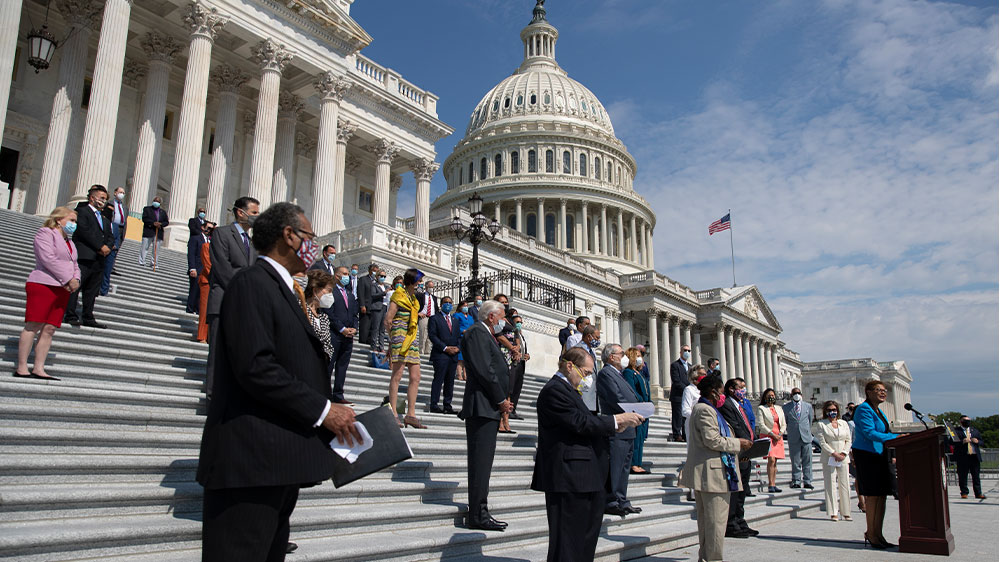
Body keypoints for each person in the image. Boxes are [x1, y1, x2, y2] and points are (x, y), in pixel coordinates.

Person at [196, 202, 361, 562]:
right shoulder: (251, 283)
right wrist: (323, 410)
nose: (313, 247)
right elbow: (256, 366)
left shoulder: (284, 290)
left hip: (276, 462)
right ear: (289, 236)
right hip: (249, 465)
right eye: (310, 237)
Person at [530, 347, 644, 561]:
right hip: (569, 477)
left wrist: (612, 427)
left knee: (584, 539)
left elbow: (585, 425)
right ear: (570, 366)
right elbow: (579, 423)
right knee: (568, 542)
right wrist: (616, 420)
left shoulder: (570, 391)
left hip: (585, 477)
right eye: (587, 372)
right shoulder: (554, 390)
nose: (589, 378)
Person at [679, 374, 753, 562]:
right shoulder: (705, 410)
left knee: (709, 523)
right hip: (712, 474)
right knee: (715, 524)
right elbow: (712, 439)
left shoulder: (708, 409)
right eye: (721, 392)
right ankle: (713, 559)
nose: (723, 396)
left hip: (713, 472)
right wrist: (738, 443)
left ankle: (706, 557)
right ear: (713, 392)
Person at [459, 299, 512, 531]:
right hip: (482, 406)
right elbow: (484, 369)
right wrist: (501, 399)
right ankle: (478, 514)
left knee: (485, 463)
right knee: (480, 464)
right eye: (502, 316)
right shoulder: (476, 333)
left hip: (487, 407)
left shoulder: (485, 334)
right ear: (491, 317)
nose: (505, 321)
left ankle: (481, 510)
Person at [15, 207, 81, 381]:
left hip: (63, 288)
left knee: (50, 328)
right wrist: (68, 279)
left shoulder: (70, 242)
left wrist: (77, 280)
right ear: (59, 220)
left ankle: (39, 367)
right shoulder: (45, 233)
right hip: (43, 284)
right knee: (34, 324)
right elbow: (48, 259)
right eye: (71, 220)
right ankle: (22, 366)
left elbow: (75, 264)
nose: (74, 224)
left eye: (75, 221)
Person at [206, 197, 260, 397]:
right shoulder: (221, 233)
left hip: (244, 306)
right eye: (254, 212)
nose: (256, 216)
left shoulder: (252, 242)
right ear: (240, 212)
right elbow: (221, 267)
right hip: (223, 301)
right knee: (217, 354)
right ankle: (212, 399)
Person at [851, 379, 898, 549]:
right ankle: (871, 533)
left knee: (881, 495)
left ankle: (878, 533)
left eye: (884, 390)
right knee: (872, 495)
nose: (883, 392)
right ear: (868, 392)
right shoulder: (863, 409)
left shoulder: (879, 411)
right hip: (867, 454)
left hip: (879, 454)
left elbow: (885, 431)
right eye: (878, 390)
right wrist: (896, 438)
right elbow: (870, 432)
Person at [596, 344, 641, 516]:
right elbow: (616, 398)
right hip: (618, 425)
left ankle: (622, 499)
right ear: (611, 357)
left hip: (629, 427)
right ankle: (612, 500)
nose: (624, 356)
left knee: (624, 466)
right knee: (615, 466)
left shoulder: (619, 374)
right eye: (621, 353)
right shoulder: (606, 373)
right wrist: (634, 412)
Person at [64, 185, 113, 328]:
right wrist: (100, 246)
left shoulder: (105, 219)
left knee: (92, 290)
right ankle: (71, 314)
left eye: (105, 199)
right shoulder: (82, 212)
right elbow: (84, 232)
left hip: (99, 259)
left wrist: (108, 247)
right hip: (85, 255)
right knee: (76, 286)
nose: (104, 201)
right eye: (102, 198)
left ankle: (88, 316)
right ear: (92, 198)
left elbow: (110, 236)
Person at [384, 268, 427, 429]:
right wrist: (392, 338)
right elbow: (388, 319)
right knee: (398, 374)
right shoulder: (398, 295)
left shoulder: (414, 299)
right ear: (413, 281)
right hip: (400, 336)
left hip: (412, 338)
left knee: (416, 376)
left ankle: (411, 414)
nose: (420, 284)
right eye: (419, 281)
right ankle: (393, 411)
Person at [719, 377, 758, 538]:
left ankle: (740, 521)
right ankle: (731, 523)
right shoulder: (727, 405)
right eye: (740, 387)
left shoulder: (742, 405)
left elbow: (748, 424)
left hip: (747, 451)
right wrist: (747, 444)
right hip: (739, 450)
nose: (743, 390)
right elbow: (735, 426)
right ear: (730, 389)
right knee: (735, 491)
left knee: (743, 490)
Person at [325, 266, 358, 405]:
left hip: (348, 336)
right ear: (337, 276)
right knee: (329, 364)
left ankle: (338, 394)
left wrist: (354, 328)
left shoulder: (350, 294)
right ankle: (325, 392)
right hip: (335, 334)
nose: (347, 276)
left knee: (342, 366)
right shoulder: (331, 292)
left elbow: (355, 314)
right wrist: (342, 328)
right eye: (344, 274)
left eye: (348, 274)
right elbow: (329, 313)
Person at [815, 400, 852, 521]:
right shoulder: (822, 424)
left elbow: (848, 440)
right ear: (826, 411)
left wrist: (844, 453)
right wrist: (834, 453)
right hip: (829, 456)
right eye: (830, 410)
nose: (832, 412)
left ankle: (846, 512)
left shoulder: (843, 423)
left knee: (844, 484)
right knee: (830, 484)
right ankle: (833, 512)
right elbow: (822, 442)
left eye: (834, 410)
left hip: (843, 456)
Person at [427, 295, 461, 414]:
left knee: (450, 381)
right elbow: (432, 336)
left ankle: (447, 404)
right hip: (441, 354)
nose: (448, 304)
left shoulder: (455, 321)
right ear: (441, 304)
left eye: (450, 303)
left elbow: (459, 337)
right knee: (438, 379)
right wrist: (445, 348)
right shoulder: (434, 318)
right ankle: (434, 404)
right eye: (446, 302)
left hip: (453, 355)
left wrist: (457, 348)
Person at [622, 346, 650, 474]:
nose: (640, 358)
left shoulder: (639, 373)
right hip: (637, 408)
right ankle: (634, 464)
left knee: (640, 437)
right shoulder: (628, 372)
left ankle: (638, 463)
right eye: (637, 355)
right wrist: (641, 401)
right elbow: (631, 390)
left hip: (644, 408)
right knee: (636, 437)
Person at [783, 387, 815, 489]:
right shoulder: (786, 407)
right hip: (793, 436)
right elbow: (786, 421)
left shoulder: (808, 406)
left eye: (798, 393)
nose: (797, 394)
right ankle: (796, 480)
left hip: (806, 436)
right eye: (794, 393)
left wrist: (807, 431)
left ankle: (807, 480)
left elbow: (810, 420)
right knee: (795, 461)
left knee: (807, 460)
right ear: (791, 395)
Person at [756, 388, 786, 493]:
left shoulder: (779, 408)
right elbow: (761, 424)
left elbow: (783, 423)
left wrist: (780, 434)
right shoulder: (761, 408)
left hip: (778, 436)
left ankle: (774, 483)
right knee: (771, 459)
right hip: (768, 435)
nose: (771, 397)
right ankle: (770, 483)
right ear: (765, 397)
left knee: (775, 461)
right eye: (769, 395)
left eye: (773, 395)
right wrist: (772, 434)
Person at [99, 186, 127, 295]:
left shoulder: (125, 207)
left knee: (114, 252)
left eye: (124, 193)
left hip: (119, 229)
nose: (122, 194)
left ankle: (104, 288)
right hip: (109, 228)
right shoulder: (110, 203)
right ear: (115, 193)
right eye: (120, 192)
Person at [303, 270, 336, 364]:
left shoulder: (323, 317)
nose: (331, 295)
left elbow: (328, 346)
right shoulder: (300, 310)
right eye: (329, 290)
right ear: (315, 290)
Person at [954, 415, 986, 499]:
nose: (967, 422)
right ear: (961, 421)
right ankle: (964, 493)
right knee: (963, 476)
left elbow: (982, 442)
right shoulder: (956, 431)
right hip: (963, 457)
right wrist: (962, 442)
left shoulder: (974, 431)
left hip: (974, 456)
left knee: (976, 476)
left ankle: (978, 493)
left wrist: (977, 441)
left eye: (968, 420)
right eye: (965, 420)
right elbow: (952, 442)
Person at [570, 325, 600, 412]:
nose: (598, 340)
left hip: (592, 398)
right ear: (588, 336)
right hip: (583, 397)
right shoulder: (577, 350)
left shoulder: (592, 351)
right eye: (596, 338)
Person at [507, 314, 530, 421]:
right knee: (511, 387)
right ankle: (508, 409)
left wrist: (527, 355)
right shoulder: (511, 334)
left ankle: (513, 409)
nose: (519, 324)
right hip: (513, 362)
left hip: (521, 363)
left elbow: (524, 347)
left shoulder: (521, 335)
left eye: (521, 322)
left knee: (518, 387)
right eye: (517, 322)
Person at [357, 263, 384, 347]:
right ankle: (362, 345)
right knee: (364, 328)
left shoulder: (377, 282)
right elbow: (360, 293)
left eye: (377, 271)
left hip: (375, 309)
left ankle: (370, 345)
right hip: (366, 307)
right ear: (369, 271)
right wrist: (362, 305)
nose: (375, 273)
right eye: (374, 271)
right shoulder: (363, 279)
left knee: (372, 329)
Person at [669, 343, 693, 441]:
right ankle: (677, 434)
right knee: (677, 415)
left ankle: (685, 434)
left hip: (687, 396)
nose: (687, 352)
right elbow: (676, 380)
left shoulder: (691, 367)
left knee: (685, 416)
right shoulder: (675, 365)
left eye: (689, 351)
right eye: (685, 350)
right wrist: (687, 389)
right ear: (680, 352)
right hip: (678, 395)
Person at [186, 221, 210, 314]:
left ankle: (198, 309)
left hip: (205, 271)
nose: (209, 230)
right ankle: (190, 309)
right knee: (194, 290)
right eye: (208, 228)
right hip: (196, 269)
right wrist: (192, 268)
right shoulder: (195, 238)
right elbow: (191, 254)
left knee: (201, 292)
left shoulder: (210, 241)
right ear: (203, 228)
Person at [195, 225, 213, 343]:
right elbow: (207, 266)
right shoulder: (206, 247)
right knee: (204, 310)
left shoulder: (221, 249)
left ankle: (209, 335)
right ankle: (202, 335)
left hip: (216, 283)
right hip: (207, 281)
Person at [139, 195, 168, 268]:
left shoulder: (163, 212)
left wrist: (160, 224)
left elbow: (166, 222)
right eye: (155, 201)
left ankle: (154, 263)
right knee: (145, 247)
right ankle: (142, 261)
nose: (156, 202)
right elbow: (144, 219)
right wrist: (153, 223)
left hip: (158, 232)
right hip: (148, 231)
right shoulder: (147, 209)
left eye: (158, 201)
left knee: (156, 249)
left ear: (160, 203)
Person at [453, 299, 476, 380]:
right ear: (460, 307)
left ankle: (466, 374)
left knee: (467, 357)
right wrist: (462, 330)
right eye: (464, 306)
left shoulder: (470, 317)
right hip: (461, 337)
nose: (465, 307)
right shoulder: (457, 315)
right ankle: (459, 374)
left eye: (467, 306)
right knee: (460, 357)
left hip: (469, 338)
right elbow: (454, 326)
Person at [416, 279, 438, 354]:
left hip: (432, 318)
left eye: (432, 287)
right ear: (426, 287)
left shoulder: (434, 298)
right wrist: (418, 313)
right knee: (423, 334)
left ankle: (427, 351)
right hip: (424, 317)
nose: (431, 289)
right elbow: (415, 305)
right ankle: (421, 350)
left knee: (430, 336)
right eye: (430, 287)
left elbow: (436, 308)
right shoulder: (420, 296)